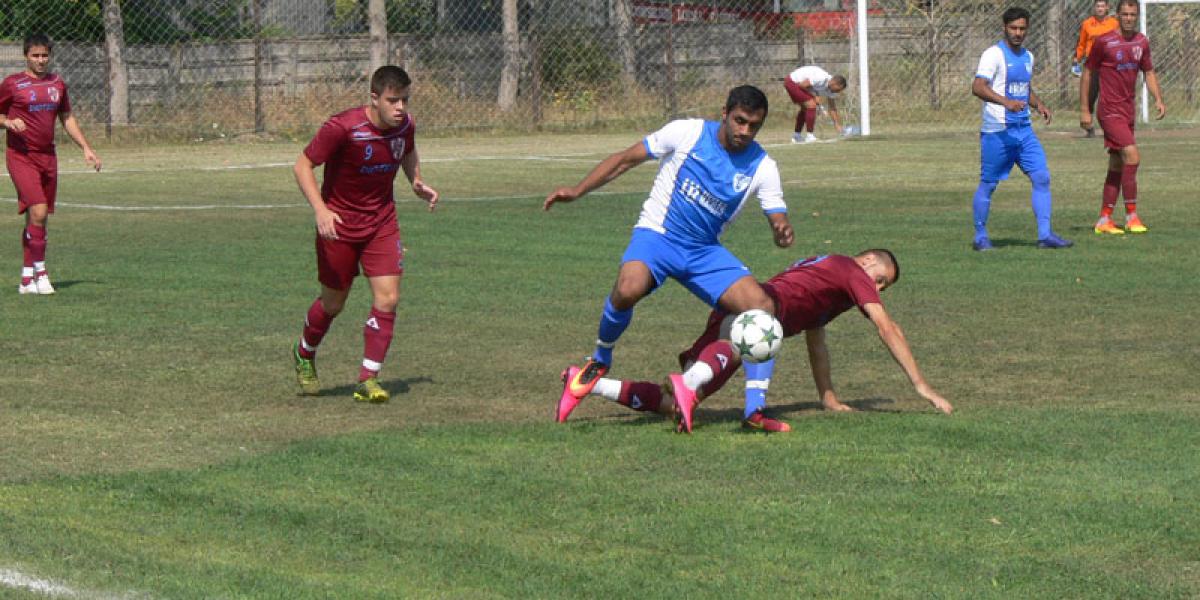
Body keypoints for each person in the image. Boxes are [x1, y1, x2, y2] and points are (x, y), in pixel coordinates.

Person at [546, 85, 795, 422]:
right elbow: (625, 160)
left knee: (762, 309)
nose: (745, 131)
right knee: (628, 289)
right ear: (724, 113)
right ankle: (601, 357)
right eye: (740, 121)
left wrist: (781, 230)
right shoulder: (686, 132)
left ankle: (753, 409)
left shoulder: (763, 166)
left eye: (754, 126)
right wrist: (578, 191)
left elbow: (777, 215)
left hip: (703, 250)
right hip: (658, 236)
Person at [557, 250, 953, 433]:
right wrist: (922, 386)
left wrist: (828, 398)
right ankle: (749, 411)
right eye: (880, 280)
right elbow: (889, 328)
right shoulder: (850, 269)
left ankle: (586, 383)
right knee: (758, 337)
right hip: (751, 318)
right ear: (866, 262)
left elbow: (816, 341)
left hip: (735, 315)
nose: (877, 290)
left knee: (672, 405)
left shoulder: (831, 280)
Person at [290, 65, 439, 403]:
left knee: (388, 298)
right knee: (334, 302)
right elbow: (302, 166)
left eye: (404, 100)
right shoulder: (343, 127)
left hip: (382, 223)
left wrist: (416, 180)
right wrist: (320, 210)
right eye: (392, 101)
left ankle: (368, 378)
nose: (400, 108)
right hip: (339, 227)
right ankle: (304, 352)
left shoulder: (406, 125)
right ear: (374, 98)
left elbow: (407, 149)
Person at [1, 33, 102, 295]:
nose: (40, 60)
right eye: (35, 55)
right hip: (21, 156)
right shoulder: (12, 84)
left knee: (37, 219)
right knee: (39, 210)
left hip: (48, 157)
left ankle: (26, 279)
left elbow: (67, 117)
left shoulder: (57, 84)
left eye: (44, 55)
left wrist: (86, 147)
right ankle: (42, 273)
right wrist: (8, 122)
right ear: (26, 56)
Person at [969, 7, 1073, 252]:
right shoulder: (993, 55)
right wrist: (1005, 102)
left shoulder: (1028, 56)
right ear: (1004, 27)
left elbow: (1025, 88)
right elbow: (978, 87)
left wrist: (1039, 105)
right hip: (998, 132)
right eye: (1013, 28)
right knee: (989, 184)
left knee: (1041, 177)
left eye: (1022, 28)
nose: (1018, 33)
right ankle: (980, 236)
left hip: (1024, 130)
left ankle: (1045, 235)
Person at [1080, 0, 1166, 235]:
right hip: (1109, 110)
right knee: (1132, 155)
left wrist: (1158, 99)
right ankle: (1131, 216)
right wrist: (1085, 109)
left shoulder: (1141, 42)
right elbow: (1088, 73)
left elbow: (1149, 72)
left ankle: (1104, 219)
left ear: (1137, 16)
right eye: (1125, 14)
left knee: (1117, 163)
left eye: (1132, 14)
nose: (1129, 18)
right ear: (1116, 15)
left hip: (1128, 111)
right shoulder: (1104, 42)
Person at [1072, 0, 1118, 138]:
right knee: (1089, 96)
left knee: (1109, 97)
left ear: (1107, 8)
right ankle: (1089, 127)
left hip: (1109, 64)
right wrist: (1076, 59)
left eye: (1102, 6)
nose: (1100, 8)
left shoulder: (1114, 23)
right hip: (1092, 64)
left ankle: (1112, 127)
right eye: (1097, 6)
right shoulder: (1087, 24)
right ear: (1094, 8)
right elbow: (1081, 44)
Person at [783, 65, 847, 144]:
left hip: (797, 85)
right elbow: (802, 85)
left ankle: (797, 136)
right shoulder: (821, 78)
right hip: (792, 82)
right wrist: (814, 96)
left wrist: (836, 124)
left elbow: (832, 107)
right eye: (838, 89)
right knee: (811, 104)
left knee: (805, 108)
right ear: (834, 83)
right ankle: (810, 136)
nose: (837, 92)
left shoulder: (832, 89)